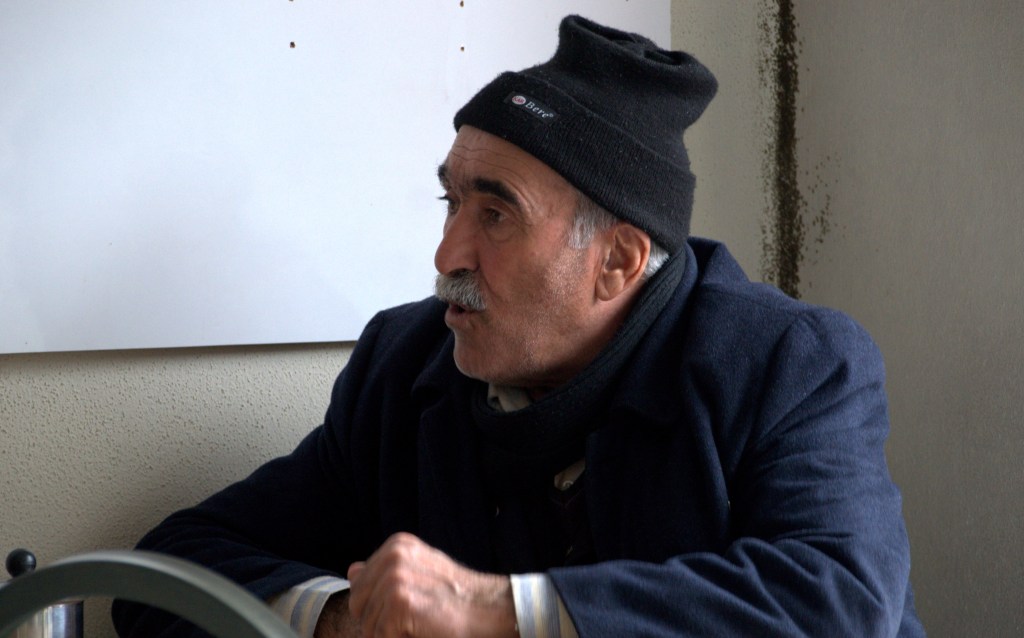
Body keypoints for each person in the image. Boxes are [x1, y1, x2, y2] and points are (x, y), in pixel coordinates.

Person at [113, 15, 925, 638]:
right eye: (452, 202)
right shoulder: (403, 366)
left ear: (617, 261)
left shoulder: (789, 363)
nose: (446, 254)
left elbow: (841, 602)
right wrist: (340, 618)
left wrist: (493, 611)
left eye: (496, 215)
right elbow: (165, 571)